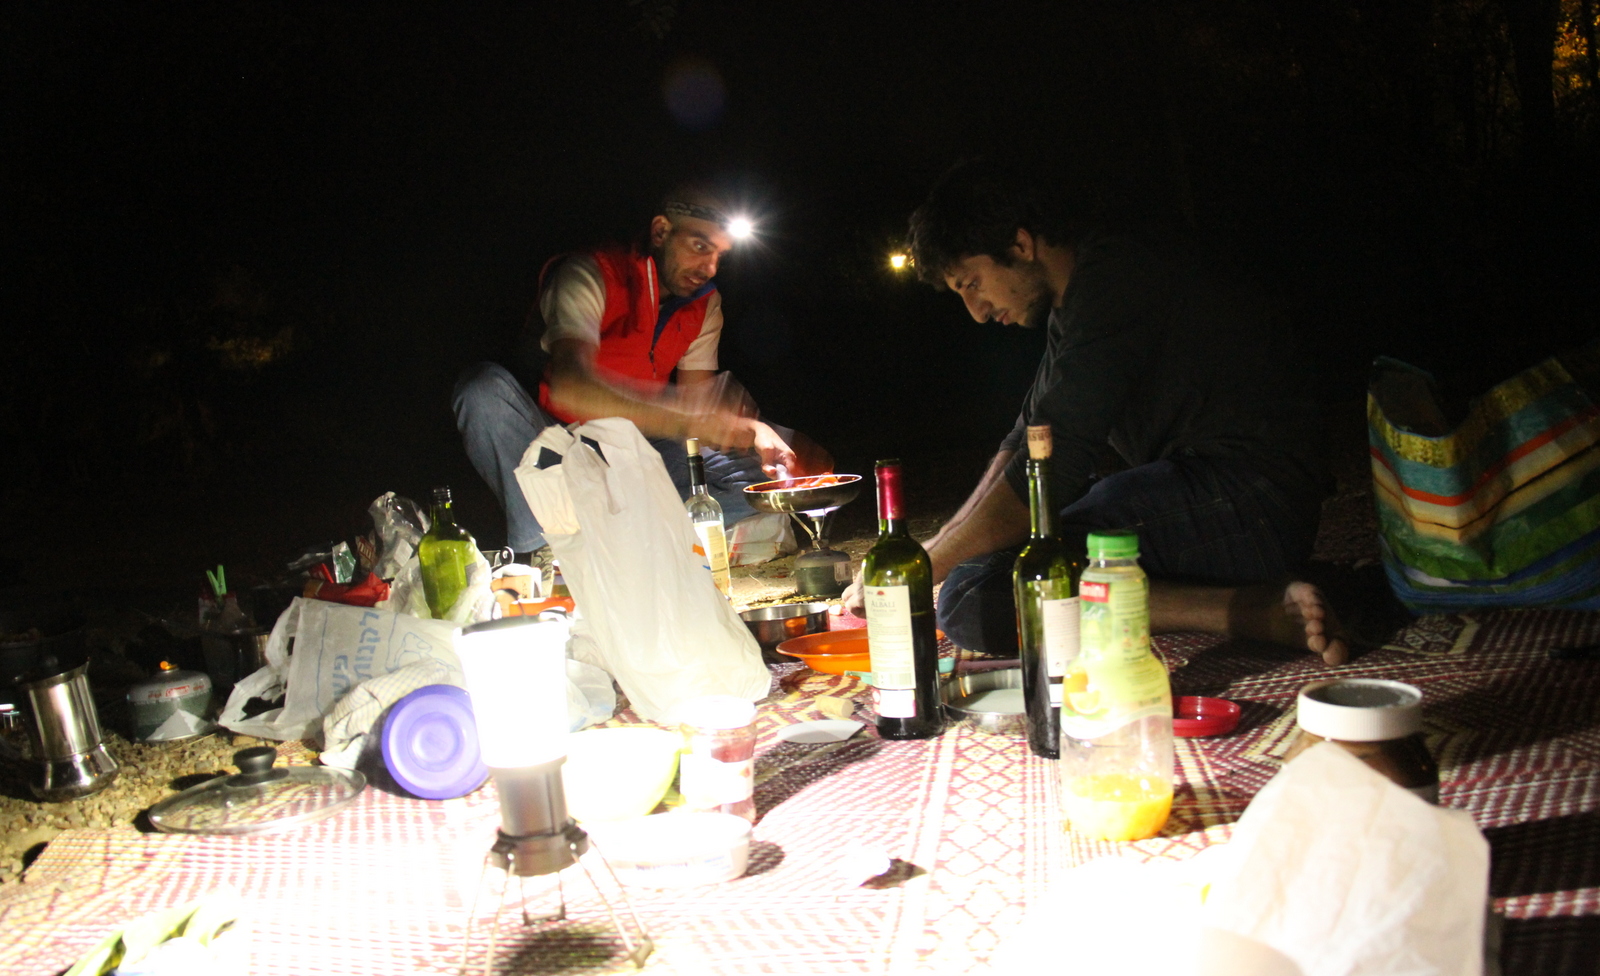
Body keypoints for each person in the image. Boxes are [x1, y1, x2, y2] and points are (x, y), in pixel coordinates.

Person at [847, 160, 1348, 666]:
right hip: (1217, 497)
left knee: (972, 594)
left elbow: (1054, 463)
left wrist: (922, 568)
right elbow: (1023, 441)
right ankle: (1252, 597)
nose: (976, 311)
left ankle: (1244, 610)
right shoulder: (1077, 298)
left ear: (1020, 245)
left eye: (972, 283)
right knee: (987, 568)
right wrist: (930, 548)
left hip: (1255, 504)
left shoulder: (1120, 275)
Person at [453, 186, 804, 559]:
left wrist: (754, 430)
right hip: (558, 443)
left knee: (762, 485)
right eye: (700, 246)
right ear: (660, 231)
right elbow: (570, 386)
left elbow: (698, 413)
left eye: (720, 255)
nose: (710, 268)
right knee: (481, 390)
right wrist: (686, 418)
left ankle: (623, 540)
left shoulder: (705, 305)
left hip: (638, 445)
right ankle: (550, 549)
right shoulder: (590, 273)